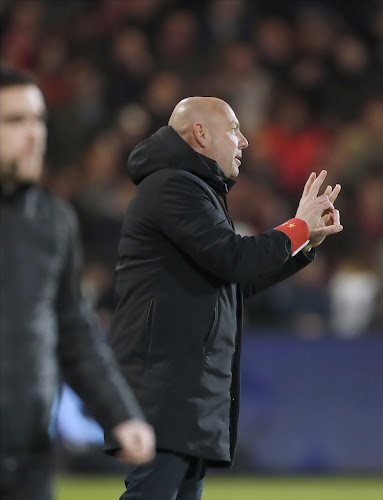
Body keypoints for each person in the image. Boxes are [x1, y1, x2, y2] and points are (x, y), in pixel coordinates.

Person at [106, 96, 343, 499]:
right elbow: (233, 260)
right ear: (200, 134)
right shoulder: (173, 186)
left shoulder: (194, 188)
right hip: (165, 389)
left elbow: (231, 282)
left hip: (187, 393)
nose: (245, 141)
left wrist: (305, 241)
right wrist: (297, 227)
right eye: (234, 129)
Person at [0, 66, 155, 500]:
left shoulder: (52, 221)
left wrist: (120, 414)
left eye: (38, 120)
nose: (34, 135)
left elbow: (74, 331)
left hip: (28, 456)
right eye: (15, 121)